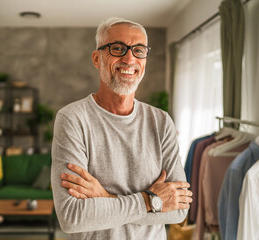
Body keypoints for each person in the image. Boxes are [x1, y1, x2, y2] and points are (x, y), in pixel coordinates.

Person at [51, 17, 193, 240]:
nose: (129, 58)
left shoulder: (161, 121)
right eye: (117, 48)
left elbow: (178, 209)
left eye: (139, 50)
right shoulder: (72, 119)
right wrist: (151, 201)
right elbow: (72, 217)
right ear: (97, 58)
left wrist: (105, 198)